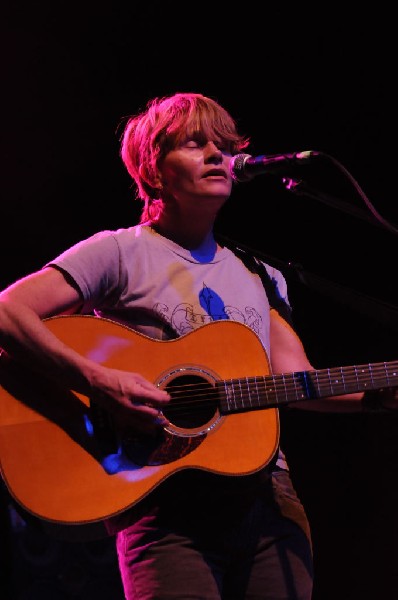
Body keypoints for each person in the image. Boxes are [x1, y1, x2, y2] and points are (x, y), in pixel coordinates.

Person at [0, 92, 396, 600]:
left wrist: (380, 395)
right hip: (162, 503)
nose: (217, 154)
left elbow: (297, 380)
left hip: (267, 501)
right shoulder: (119, 252)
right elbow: (9, 311)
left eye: (224, 144)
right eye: (194, 143)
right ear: (155, 170)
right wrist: (98, 378)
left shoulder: (262, 276)